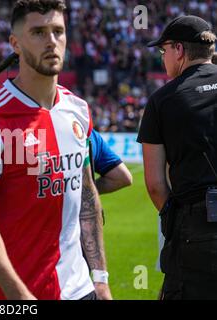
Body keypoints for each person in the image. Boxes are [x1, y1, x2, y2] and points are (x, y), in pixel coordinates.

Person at [0, 0, 111, 300]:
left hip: (79, 290)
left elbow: (86, 193)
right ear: (15, 43)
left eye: (58, 31)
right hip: (11, 295)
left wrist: (100, 278)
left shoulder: (78, 109)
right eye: (39, 32)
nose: (51, 41)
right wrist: (19, 295)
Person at [137, 15, 217, 300]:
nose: (163, 58)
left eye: (164, 51)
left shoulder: (162, 100)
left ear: (179, 50)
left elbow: (155, 184)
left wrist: (178, 218)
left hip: (197, 225)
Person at [89, 129, 132, 194]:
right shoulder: (92, 136)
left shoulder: (93, 136)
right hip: (81, 202)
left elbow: (123, 178)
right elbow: (122, 178)